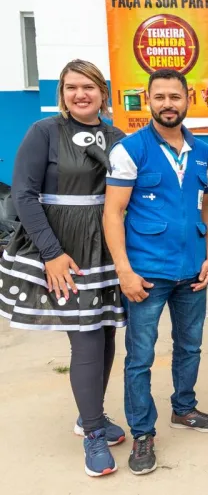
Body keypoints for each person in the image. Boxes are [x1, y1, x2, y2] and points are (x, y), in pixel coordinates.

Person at [0, 59, 126, 477]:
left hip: (106, 249)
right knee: (87, 338)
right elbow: (23, 195)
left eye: (88, 87)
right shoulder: (44, 132)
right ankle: (93, 433)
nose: (80, 94)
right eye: (71, 87)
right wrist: (51, 253)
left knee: (105, 333)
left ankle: (91, 414)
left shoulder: (117, 138)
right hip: (65, 251)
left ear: (103, 93)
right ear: (62, 94)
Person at [103, 69, 208, 476]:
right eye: (160, 97)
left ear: (188, 99)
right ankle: (142, 432)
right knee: (140, 357)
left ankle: (184, 409)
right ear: (148, 100)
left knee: (190, 346)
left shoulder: (203, 150)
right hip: (147, 274)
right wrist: (124, 271)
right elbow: (113, 213)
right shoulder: (130, 149)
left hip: (192, 271)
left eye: (175, 96)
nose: (168, 104)